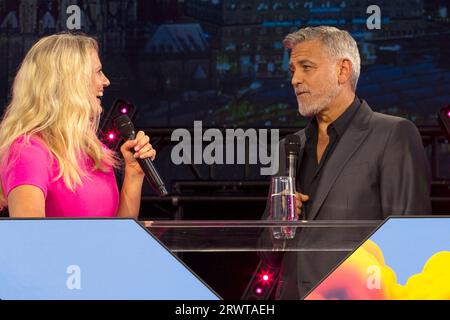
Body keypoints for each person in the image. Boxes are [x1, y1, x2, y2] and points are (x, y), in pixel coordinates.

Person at [262, 26, 431, 299]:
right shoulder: (288, 148)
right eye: (293, 70)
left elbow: (409, 245)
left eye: (306, 67)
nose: (295, 80)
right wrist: (279, 224)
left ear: (342, 70)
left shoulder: (393, 134)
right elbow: (267, 255)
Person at [0, 32, 156, 218]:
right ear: (70, 82)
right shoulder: (28, 150)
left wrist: (134, 174)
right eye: (98, 72)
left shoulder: (96, 151)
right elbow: (30, 239)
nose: (106, 81)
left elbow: (118, 235)